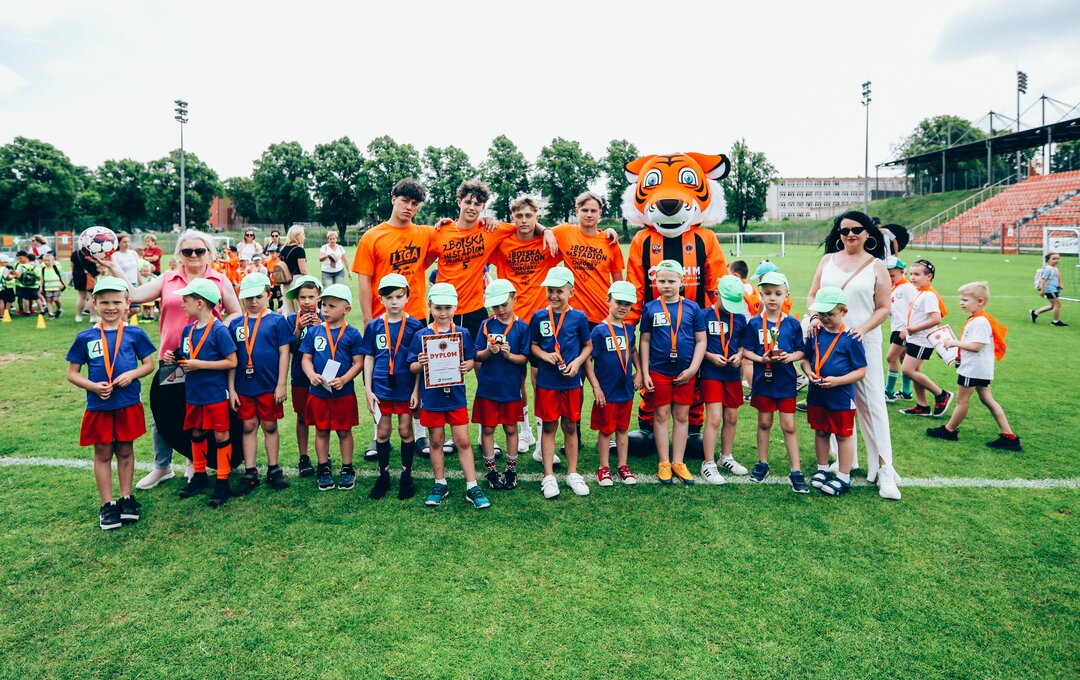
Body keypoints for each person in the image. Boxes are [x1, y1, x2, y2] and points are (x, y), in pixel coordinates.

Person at [97, 230, 242, 492]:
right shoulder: (168, 279)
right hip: (171, 360)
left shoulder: (219, 280)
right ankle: (162, 466)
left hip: (206, 364)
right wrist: (114, 267)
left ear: (209, 253)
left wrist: (216, 328)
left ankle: (194, 465)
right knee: (164, 412)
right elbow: (134, 295)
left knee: (201, 411)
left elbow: (236, 313)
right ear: (179, 254)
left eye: (199, 250)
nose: (194, 255)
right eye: (187, 251)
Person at [807, 210, 901, 500]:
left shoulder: (877, 265)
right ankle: (845, 462)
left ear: (868, 233)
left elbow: (884, 307)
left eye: (856, 229)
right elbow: (812, 296)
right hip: (828, 343)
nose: (850, 234)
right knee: (834, 402)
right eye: (844, 230)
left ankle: (885, 467)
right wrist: (814, 317)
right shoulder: (827, 260)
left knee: (873, 404)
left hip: (862, 341)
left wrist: (862, 328)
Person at [65, 276, 157, 529]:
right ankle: (107, 504)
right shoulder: (85, 336)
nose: (111, 307)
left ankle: (126, 498)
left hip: (127, 403)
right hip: (100, 406)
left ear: (127, 303)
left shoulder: (135, 333)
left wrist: (132, 374)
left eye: (117, 301)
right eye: (104, 302)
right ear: (94, 303)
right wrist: (93, 386)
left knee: (125, 450)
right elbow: (72, 373)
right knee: (103, 452)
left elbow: (149, 365)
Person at [407, 283, 490, 509]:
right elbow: (412, 366)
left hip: (455, 397)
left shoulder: (462, 333)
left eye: (447, 308)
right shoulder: (421, 335)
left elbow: (471, 359)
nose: (443, 313)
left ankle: (472, 485)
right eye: (438, 308)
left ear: (455, 307)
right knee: (436, 441)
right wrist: (421, 363)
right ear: (429, 306)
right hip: (432, 399)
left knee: (463, 440)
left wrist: (466, 366)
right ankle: (440, 483)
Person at [165, 278, 238, 507]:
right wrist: (174, 357)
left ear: (200, 303)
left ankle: (223, 481)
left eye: (185, 300)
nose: (182, 304)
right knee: (196, 433)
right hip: (193, 394)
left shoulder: (219, 329)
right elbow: (188, 356)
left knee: (220, 435)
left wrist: (200, 365)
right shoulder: (188, 331)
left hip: (214, 394)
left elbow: (232, 361)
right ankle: (199, 474)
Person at [927, 281, 1021, 450]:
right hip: (978, 368)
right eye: (961, 300)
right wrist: (952, 353)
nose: (961, 303)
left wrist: (954, 343)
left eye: (965, 300)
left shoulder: (980, 322)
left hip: (973, 369)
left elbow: (977, 346)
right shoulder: (976, 319)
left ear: (980, 301)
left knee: (962, 401)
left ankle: (949, 430)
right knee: (987, 399)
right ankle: (1008, 435)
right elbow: (971, 345)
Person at [639, 260, 706, 485]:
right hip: (659, 371)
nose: (666, 285)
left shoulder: (693, 308)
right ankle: (664, 462)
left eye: (671, 281)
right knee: (660, 415)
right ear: (655, 282)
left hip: (685, 372)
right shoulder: (651, 308)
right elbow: (645, 340)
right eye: (661, 281)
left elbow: (701, 340)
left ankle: (678, 461)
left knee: (681, 416)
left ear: (682, 282)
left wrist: (693, 369)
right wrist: (645, 372)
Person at [529, 267, 593, 499]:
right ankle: (548, 476)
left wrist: (577, 363)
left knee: (570, 425)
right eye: (550, 290)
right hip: (547, 382)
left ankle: (572, 473)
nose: (554, 295)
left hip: (570, 381)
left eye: (559, 291)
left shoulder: (579, 317)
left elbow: (588, 346)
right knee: (548, 426)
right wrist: (545, 356)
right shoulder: (538, 316)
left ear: (571, 292)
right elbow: (533, 345)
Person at [227, 273, 293, 495]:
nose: (253, 302)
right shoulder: (236, 324)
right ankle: (250, 472)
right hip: (243, 387)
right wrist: (232, 389)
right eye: (249, 298)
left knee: (270, 426)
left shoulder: (277, 321)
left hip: (269, 386)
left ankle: (274, 469)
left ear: (268, 295)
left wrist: (281, 384)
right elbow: (231, 359)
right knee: (248, 426)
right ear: (242, 298)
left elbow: (284, 353)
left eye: (258, 296)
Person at [360, 273, 424, 500]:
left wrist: (416, 390)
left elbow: (419, 362)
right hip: (381, 388)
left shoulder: (415, 325)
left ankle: (406, 475)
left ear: (407, 296)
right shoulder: (374, 326)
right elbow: (369, 357)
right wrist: (368, 389)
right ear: (380, 299)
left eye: (399, 296)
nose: (394, 302)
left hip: (406, 388)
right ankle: (383, 475)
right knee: (383, 431)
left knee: (406, 430)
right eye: (389, 297)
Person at [741, 271, 807, 492]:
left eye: (778, 293)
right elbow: (746, 351)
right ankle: (762, 463)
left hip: (785, 383)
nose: (772, 298)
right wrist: (761, 359)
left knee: (789, 425)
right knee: (764, 422)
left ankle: (796, 470)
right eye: (767, 293)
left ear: (786, 296)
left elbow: (801, 351)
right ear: (761, 295)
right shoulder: (754, 324)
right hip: (763, 382)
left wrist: (790, 357)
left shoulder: (792, 324)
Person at [425, 181, 518, 337]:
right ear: (459, 202)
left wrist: (546, 231)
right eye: (468, 202)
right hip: (444, 308)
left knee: (477, 352)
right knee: (440, 353)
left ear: (483, 207)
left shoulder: (490, 230)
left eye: (477, 204)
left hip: (474, 309)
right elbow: (423, 263)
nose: (472, 207)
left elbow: (524, 226)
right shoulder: (440, 231)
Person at [801, 287, 867, 497]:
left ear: (844, 312)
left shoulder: (852, 338)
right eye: (821, 314)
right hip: (817, 394)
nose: (825, 318)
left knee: (843, 435)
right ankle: (822, 469)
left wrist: (838, 381)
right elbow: (805, 359)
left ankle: (843, 476)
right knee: (821, 431)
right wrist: (808, 372)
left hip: (841, 397)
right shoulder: (815, 332)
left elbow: (861, 371)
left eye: (830, 314)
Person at [300, 284, 364, 491]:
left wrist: (344, 379)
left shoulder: (352, 334)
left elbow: (359, 363)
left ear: (346, 309)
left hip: (343, 393)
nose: (325, 310)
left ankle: (347, 468)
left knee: (344, 431)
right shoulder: (314, 332)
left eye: (331, 306)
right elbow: (306, 359)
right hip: (319, 393)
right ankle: (323, 468)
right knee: (321, 430)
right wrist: (311, 375)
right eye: (323, 305)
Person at [351, 179, 436, 325]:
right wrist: (367, 319)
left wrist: (445, 223)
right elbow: (364, 282)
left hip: (416, 316)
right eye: (405, 201)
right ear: (393, 199)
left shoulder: (427, 234)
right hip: (383, 316)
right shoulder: (371, 237)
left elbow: (456, 231)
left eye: (414, 204)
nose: (409, 207)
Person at [472, 279, 530, 491]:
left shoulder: (522, 327)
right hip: (487, 388)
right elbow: (477, 355)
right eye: (495, 306)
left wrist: (509, 355)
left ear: (514, 298)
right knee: (488, 428)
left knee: (511, 428)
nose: (500, 310)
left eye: (504, 304)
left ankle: (511, 470)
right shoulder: (486, 324)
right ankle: (491, 471)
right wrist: (489, 351)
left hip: (510, 389)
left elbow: (524, 358)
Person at [584, 281, 642, 487]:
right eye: (619, 302)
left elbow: (633, 350)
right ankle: (604, 467)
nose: (623, 307)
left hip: (625, 389)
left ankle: (623, 466)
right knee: (606, 430)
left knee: (623, 428)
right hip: (607, 391)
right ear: (608, 300)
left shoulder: (629, 329)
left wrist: (639, 372)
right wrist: (596, 387)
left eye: (627, 304)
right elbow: (587, 361)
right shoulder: (599, 331)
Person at [700, 275, 751, 484]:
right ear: (716, 294)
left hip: (732, 375)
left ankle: (725, 457)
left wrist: (739, 355)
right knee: (714, 418)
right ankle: (708, 463)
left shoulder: (739, 319)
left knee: (731, 417)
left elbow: (743, 345)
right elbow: (697, 344)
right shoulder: (703, 315)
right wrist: (710, 356)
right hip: (711, 374)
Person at [550, 192, 626, 325]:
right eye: (585, 210)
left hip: (601, 313)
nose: (589, 214)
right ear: (577, 211)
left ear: (600, 213)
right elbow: (533, 229)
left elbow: (618, 283)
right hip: (571, 314)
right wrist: (546, 232)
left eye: (593, 211)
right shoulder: (564, 232)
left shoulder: (610, 241)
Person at [899, 259, 953, 419]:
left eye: (917, 274)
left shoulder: (929, 295)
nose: (912, 277)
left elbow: (936, 319)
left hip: (922, 340)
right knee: (916, 372)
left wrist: (914, 329)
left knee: (907, 370)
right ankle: (923, 406)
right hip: (915, 338)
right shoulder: (920, 292)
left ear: (929, 276)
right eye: (911, 274)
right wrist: (908, 329)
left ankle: (941, 394)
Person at [284, 275, 323, 477]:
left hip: (321, 376)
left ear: (318, 297)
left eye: (311, 297)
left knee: (321, 417)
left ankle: (323, 454)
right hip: (300, 376)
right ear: (297, 299)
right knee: (301, 416)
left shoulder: (326, 316)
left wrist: (320, 327)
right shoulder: (291, 319)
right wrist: (299, 328)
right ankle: (304, 456)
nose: (307, 301)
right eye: (302, 297)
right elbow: (289, 348)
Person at [884, 256, 916, 402]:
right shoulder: (894, 287)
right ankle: (906, 392)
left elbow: (915, 308)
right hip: (896, 328)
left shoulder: (907, 287)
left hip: (903, 329)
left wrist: (906, 329)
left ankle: (889, 392)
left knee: (891, 358)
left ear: (902, 272)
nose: (890, 278)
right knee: (903, 358)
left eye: (892, 275)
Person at [279, 226, 308, 314]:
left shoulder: (283, 250)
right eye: (303, 234)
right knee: (299, 310)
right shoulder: (299, 250)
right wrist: (311, 279)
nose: (304, 237)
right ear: (297, 236)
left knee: (289, 310)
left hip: (285, 281)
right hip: (296, 280)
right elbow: (303, 270)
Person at [1032, 252, 1067, 326]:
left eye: (1058, 258)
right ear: (1048, 260)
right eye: (1054, 259)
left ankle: (1035, 313)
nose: (1056, 260)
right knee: (1057, 304)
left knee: (1053, 305)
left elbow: (1055, 278)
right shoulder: (1048, 269)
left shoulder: (1055, 268)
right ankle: (1055, 322)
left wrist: (1059, 285)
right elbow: (1043, 280)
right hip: (1050, 289)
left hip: (1054, 289)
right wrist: (1043, 291)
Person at [70, 249, 96, 322]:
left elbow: (72, 265)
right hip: (90, 275)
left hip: (77, 275)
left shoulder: (76, 252)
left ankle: (78, 316)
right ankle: (93, 317)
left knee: (81, 296)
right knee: (91, 296)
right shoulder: (93, 252)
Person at [39, 251, 66, 318]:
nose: (46, 262)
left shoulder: (57, 268)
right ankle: (50, 314)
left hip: (57, 287)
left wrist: (62, 284)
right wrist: (41, 287)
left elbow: (62, 275)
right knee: (48, 300)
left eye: (48, 260)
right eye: (44, 260)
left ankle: (59, 309)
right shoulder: (43, 269)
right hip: (48, 288)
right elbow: (42, 278)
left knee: (56, 299)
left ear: (53, 260)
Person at [0, 254, 14, 319]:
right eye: (6, 262)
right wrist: (12, 274)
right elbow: (8, 277)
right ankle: (2, 315)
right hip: (1, 288)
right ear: (2, 262)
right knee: (2, 302)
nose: (7, 263)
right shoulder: (4, 269)